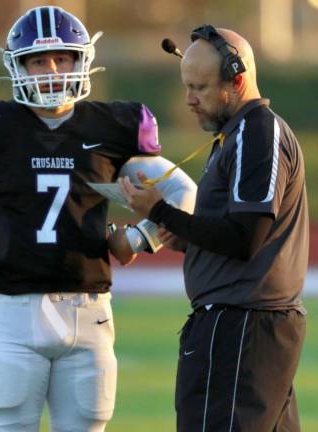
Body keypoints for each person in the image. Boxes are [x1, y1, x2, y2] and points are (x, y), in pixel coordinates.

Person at [0, 7, 197, 432]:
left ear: (82, 60)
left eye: (62, 57)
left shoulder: (111, 126)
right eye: (37, 60)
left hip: (89, 310)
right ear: (17, 66)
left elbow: (184, 191)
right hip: (15, 311)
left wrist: (141, 237)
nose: (51, 70)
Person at [119, 24, 308, 432]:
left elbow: (247, 238)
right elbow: (238, 234)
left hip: (241, 327)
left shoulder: (258, 132)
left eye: (200, 88)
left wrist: (160, 213)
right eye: (187, 85)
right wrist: (187, 240)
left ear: (237, 81)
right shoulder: (238, 134)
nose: (189, 99)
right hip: (248, 326)